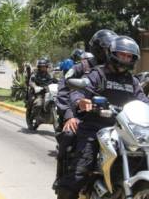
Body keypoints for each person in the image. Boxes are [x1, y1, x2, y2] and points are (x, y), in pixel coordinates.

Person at [56, 36, 149, 199]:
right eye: (122, 55)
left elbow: (143, 101)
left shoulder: (132, 81)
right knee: (81, 170)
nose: (126, 59)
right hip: (95, 128)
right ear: (113, 54)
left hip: (123, 130)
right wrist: (81, 101)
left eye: (129, 56)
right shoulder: (98, 73)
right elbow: (79, 90)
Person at [53, 31, 117, 190]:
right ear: (98, 49)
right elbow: (63, 91)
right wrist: (69, 115)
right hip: (77, 115)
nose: (109, 52)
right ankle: (61, 177)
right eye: (106, 49)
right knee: (69, 135)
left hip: (105, 116)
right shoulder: (81, 67)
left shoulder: (114, 70)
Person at [27, 57, 56, 129]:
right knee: (39, 104)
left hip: (48, 93)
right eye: (42, 66)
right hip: (38, 94)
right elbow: (31, 82)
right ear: (39, 67)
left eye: (44, 66)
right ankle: (30, 119)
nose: (43, 68)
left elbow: (56, 81)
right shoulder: (35, 74)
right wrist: (35, 87)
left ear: (47, 67)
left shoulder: (50, 75)